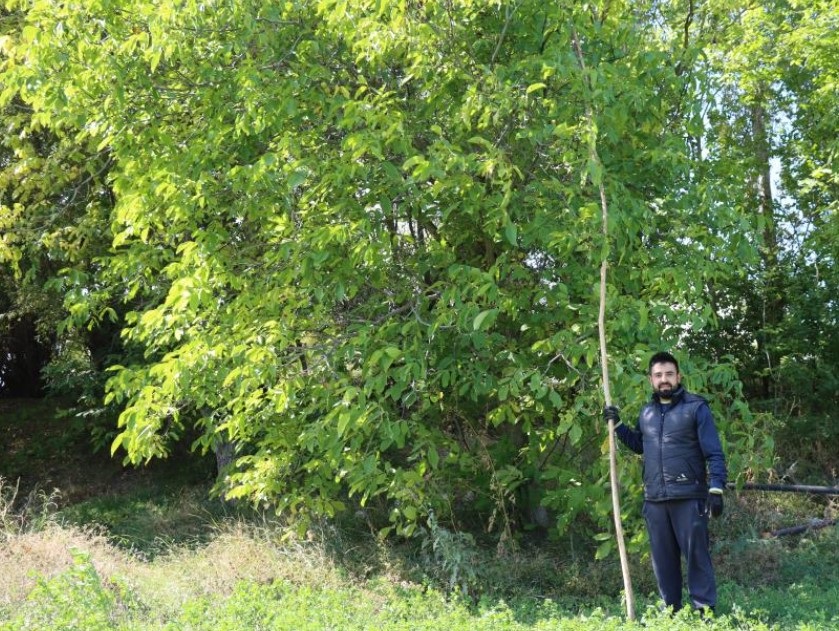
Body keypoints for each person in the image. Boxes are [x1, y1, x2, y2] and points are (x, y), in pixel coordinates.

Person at [603, 351, 727, 615]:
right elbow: (640, 445)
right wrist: (618, 425)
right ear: (650, 380)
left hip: (689, 497)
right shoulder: (646, 412)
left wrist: (716, 488)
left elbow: (714, 452)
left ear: (678, 376)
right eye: (658, 375)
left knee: (696, 557)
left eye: (669, 374)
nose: (664, 380)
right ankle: (670, 610)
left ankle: (704, 610)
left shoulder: (696, 408)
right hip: (655, 500)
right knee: (663, 561)